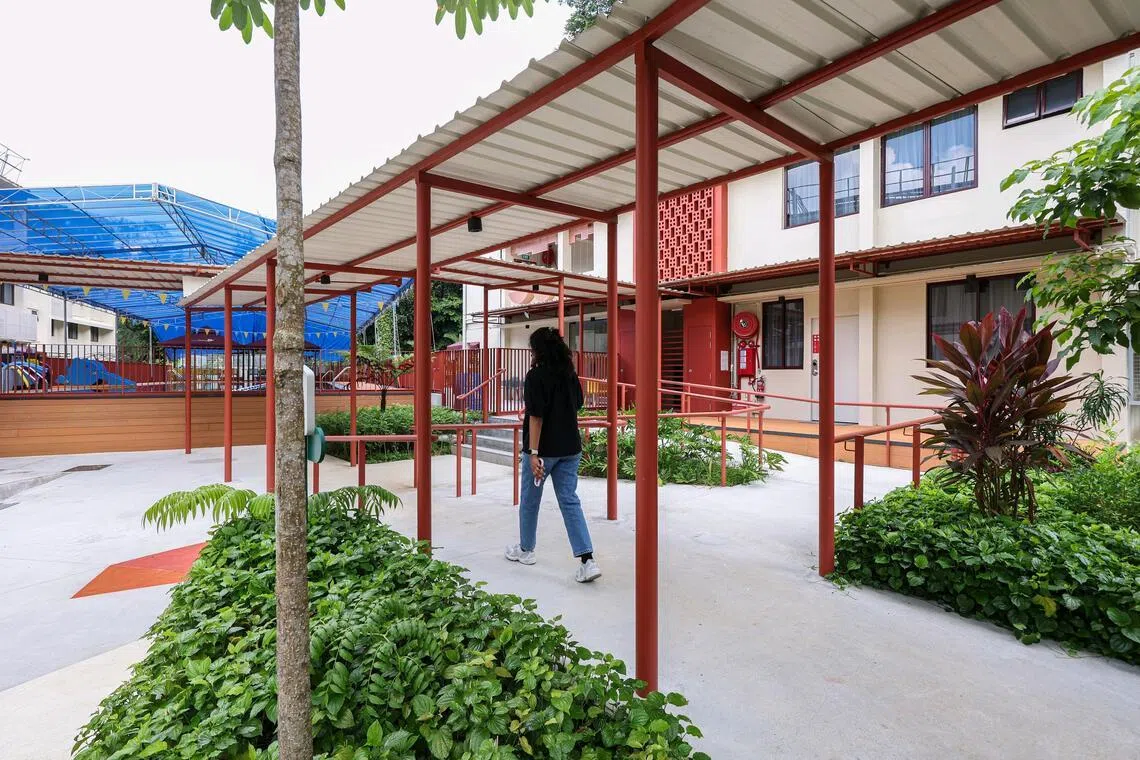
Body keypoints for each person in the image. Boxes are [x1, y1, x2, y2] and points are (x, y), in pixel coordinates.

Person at [506, 326, 601, 583]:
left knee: (530, 500)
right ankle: (587, 560)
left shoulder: (536, 376)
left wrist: (534, 453)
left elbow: (536, 417)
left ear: (537, 350)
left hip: (543, 452)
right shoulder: (570, 375)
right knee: (570, 501)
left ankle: (526, 550)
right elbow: (578, 405)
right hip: (571, 449)